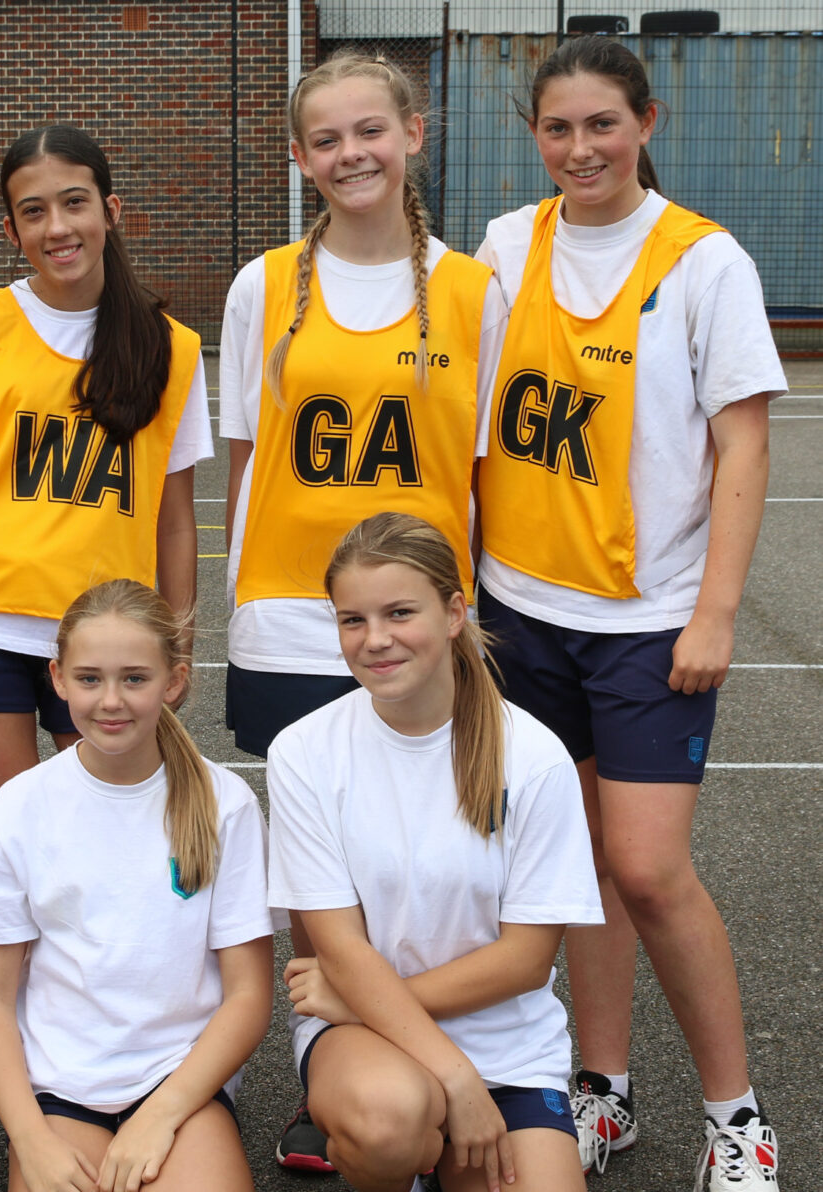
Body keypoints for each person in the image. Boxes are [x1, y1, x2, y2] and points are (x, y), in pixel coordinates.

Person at [475, 35, 784, 1188]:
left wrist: (716, 612)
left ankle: (738, 1118)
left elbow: (742, 444)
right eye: (558, 127)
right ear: (535, 135)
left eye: (602, 123)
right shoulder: (508, 244)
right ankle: (601, 1091)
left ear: (646, 123)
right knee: (577, 866)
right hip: (520, 609)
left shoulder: (703, 260)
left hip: (649, 619)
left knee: (648, 867)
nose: (581, 147)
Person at [218, 50, 504, 1170]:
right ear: (301, 157)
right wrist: (237, 599)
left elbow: (483, 469)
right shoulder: (264, 284)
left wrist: (474, 607)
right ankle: (327, 1054)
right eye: (327, 139)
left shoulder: (475, 289)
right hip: (295, 613)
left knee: (425, 832)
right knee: (318, 856)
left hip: (421, 616)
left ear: (413, 134)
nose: (352, 154)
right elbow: (247, 460)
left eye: (370, 131)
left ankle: (429, 1036)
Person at [0, 124, 212, 821]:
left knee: (109, 833)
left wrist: (176, 644)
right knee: (16, 837)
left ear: (110, 211)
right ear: (13, 230)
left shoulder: (172, 347)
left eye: (73, 202)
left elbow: (175, 520)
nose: (57, 227)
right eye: (34, 211)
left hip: (106, 631)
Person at [268, 512, 603, 1192]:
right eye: (353, 620)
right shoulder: (303, 752)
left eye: (399, 613)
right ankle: (407, 1165)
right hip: (368, 1042)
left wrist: (356, 1002)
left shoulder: (534, 756)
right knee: (389, 1123)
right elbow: (341, 949)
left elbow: (526, 960)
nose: (375, 639)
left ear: (454, 613)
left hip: (501, 1047)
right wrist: (454, 1075)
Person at [0, 579, 274, 1192]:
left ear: (174, 681)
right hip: (62, 1091)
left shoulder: (224, 804)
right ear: (58, 678)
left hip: (180, 1085)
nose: (111, 700)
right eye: (90, 678)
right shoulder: (20, 806)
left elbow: (248, 993)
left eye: (135, 678)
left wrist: (161, 1116)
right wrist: (28, 1137)